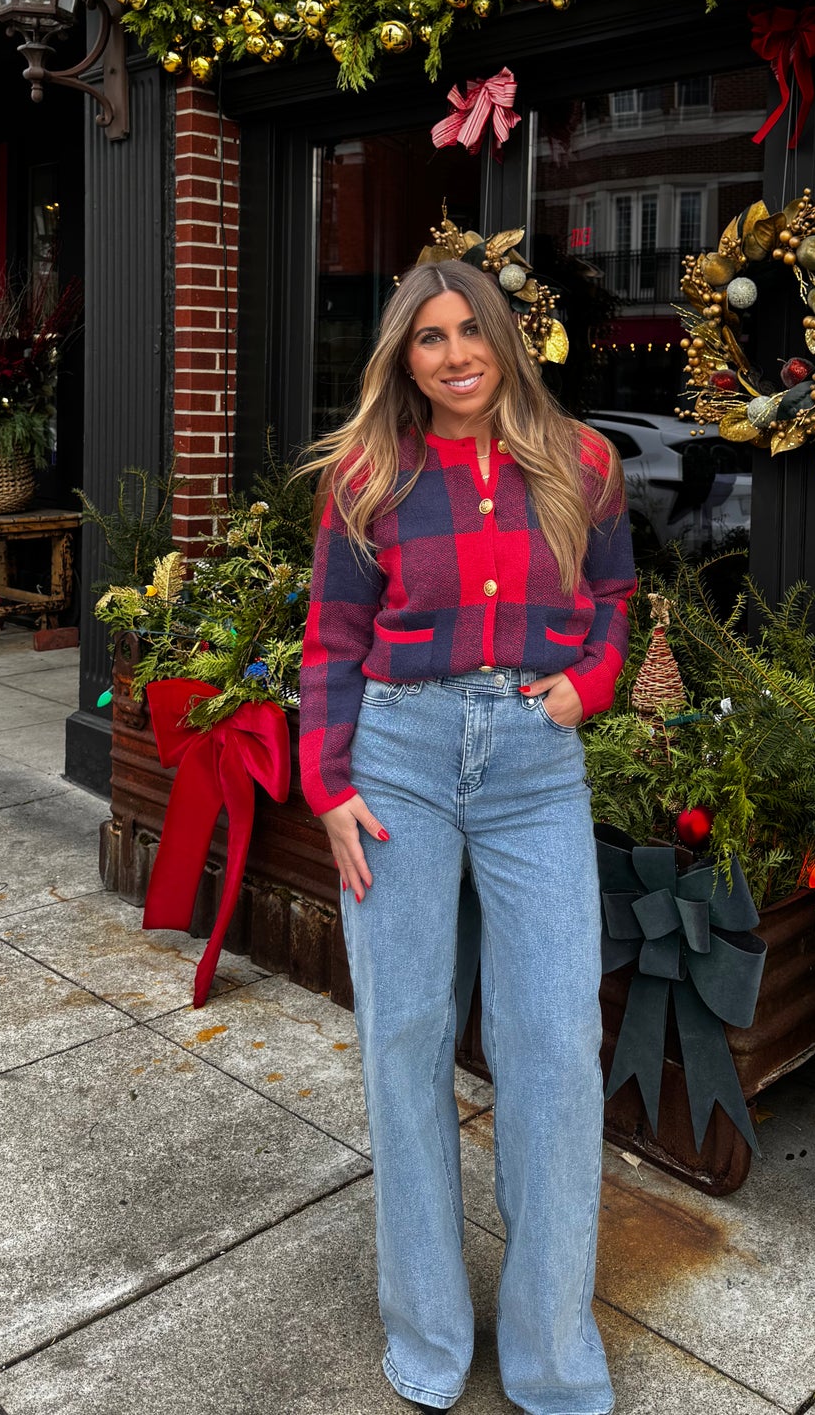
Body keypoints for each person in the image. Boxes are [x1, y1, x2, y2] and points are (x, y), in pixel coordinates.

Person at [298, 258, 636, 1415]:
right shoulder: (368, 475)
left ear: (502, 335)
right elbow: (332, 636)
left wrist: (588, 686)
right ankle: (429, 1332)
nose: (452, 355)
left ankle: (551, 1349)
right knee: (406, 1037)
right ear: (404, 357)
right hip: (397, 757)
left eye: (467, 330)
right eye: (426, 339)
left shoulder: (582, 462)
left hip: (534, 762)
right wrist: (327, 783)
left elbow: (615, 603)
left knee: (550, 1041)